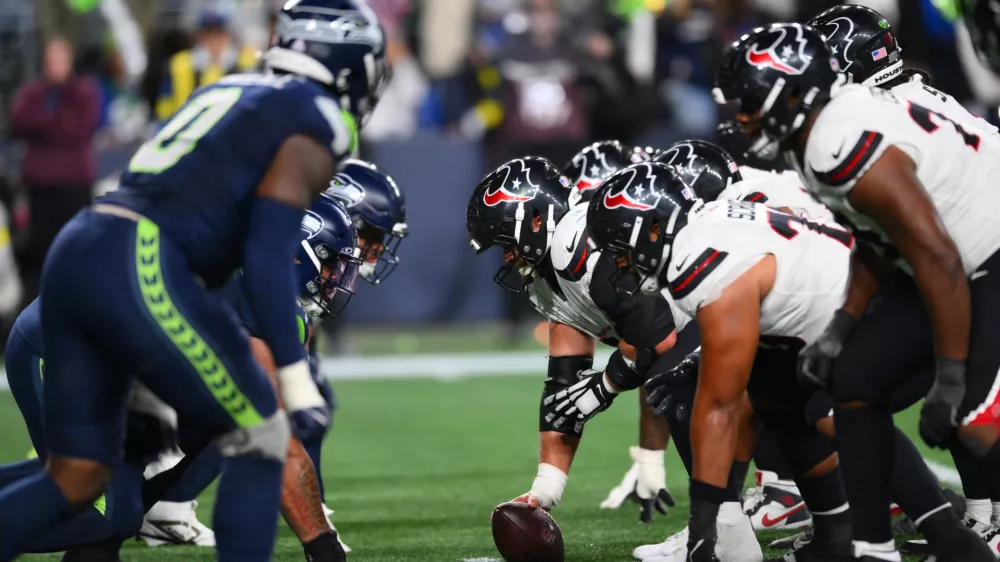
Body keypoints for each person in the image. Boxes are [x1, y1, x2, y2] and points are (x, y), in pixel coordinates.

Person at [0, 1, 387, 560]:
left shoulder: (227, 88)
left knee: (84, 485)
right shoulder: (316, 117)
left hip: (86, 244)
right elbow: (265, 254)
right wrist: (295, 374)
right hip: (137, 260)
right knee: (256, 434)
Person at [714, 21, 1000, 561]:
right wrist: (842, 326)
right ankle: (873, 547)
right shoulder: (814, 136)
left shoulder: (841, 139)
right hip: (950, 257)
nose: (741, 116)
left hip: (984, 249)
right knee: (851, 381)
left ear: (794, 93)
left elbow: (936, 256)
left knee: (973, 418)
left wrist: (952, 375)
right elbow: (876, 240)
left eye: (749, 103)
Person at [2, 195, 361, 562]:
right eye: (331, 264)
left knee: (123, 501)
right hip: (65, 349)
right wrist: (323, 545)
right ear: (297, 253)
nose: (336, 279)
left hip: (108, 364)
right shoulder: (257, 294)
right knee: (107, 512)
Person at [809, 5, 1000, 554]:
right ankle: (977, 515)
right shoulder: (905, 98)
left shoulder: (874, 119)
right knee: (849, 396)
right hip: (953, 265)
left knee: (970, 415)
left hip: (978, 261)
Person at [465, 155, 697, 526]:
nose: (507, 256)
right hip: (696, 326)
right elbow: (563, 388)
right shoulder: (545, 280)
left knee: (674, 380)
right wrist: (545, 489)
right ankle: (762, 501)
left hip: (717, 312)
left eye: (507, 242)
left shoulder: (579, 244)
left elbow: (658, 336)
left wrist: (604, 386)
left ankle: (720, 520)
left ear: (536, 219)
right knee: (670, 378)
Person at [9, 36, 99, 302]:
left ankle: (79, 306)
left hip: (74, 185)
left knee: (75, 249)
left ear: (70, 61)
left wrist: (44, 125)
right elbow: (18, 121)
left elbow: (80, 128)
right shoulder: (32, 92)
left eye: (60, 58)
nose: (55, 64)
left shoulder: (84, 91)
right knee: (42, 251)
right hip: (40, 188)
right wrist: (58, 121)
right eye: (51, 59)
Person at [155, 7, 258, 122]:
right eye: (208, 34)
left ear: (228, 35)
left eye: (219, 33)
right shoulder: (181, 64)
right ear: (199, 36)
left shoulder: (242, 64)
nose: (213, 40)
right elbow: (164, 108)